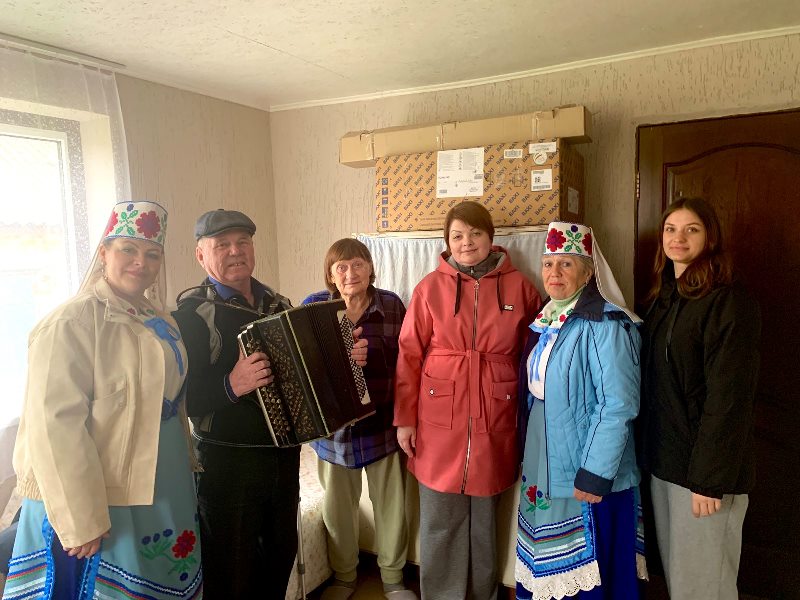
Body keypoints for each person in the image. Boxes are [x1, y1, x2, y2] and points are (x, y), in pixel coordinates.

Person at [3, 201, 203, 599]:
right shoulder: (71, 322)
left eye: (152, 254)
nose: (140, 262)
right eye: (128, 249)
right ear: (104, 253)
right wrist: (80, 518)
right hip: (102, 493)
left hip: (162, 477)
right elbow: (54, 427)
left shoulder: (159, 319)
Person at [172, 209, 367, 599]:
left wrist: (347, 362)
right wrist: (231, 384)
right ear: (200, 255)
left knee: (278, 561)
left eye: (242, 242)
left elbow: (305, 376)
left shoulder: (279, 305)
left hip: (282, 458)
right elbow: (183, 400)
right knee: (231, 573)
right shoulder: (191, 315)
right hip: (227, 464)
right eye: (222, 244)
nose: (235, 251)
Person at [394, 201, 541, 600]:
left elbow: (536, 356)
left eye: (475, 233)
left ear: (490, 237)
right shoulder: (429, 288)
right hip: (438, 419)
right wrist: (405, 419)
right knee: (440, 519)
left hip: (496, 413)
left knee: (484, 523)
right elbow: (408, 356)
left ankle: (482, 595)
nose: (466, 243)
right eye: (457, 236)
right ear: (447, 242)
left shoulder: (522, 288)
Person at [514, 221, 647, 599]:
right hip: (545, 456)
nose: (554, 273)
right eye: (548, 264)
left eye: (566, 264)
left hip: (587, 465)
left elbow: (618, 405)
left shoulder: (607, 323)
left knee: (588, 561)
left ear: (588, 273)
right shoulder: (547, 319)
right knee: (547, 556)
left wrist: (595, 474)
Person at [639, 197, 760, 600]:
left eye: (691, 229)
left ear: (710, 237)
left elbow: (729, 398)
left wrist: (708, 481)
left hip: (705, 476)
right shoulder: (662, 299)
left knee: (705, 587)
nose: (679, 238)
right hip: (665, 466)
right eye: (670, 229)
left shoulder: (728, 301)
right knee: (682, 583)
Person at [302, 238, 416, 600]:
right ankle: (344, 577)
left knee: (392, 508)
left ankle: (393, 579)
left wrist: (371, 359)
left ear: (370, 268)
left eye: (358, 264)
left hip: (382, 427)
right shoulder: (313, 307)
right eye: (341, 267)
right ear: (330, 274)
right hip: (333, 432)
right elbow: (301, 368)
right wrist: (340, 360)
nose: (350, 273)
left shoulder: (391, 305)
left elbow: (409, 364)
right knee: (338, 510)